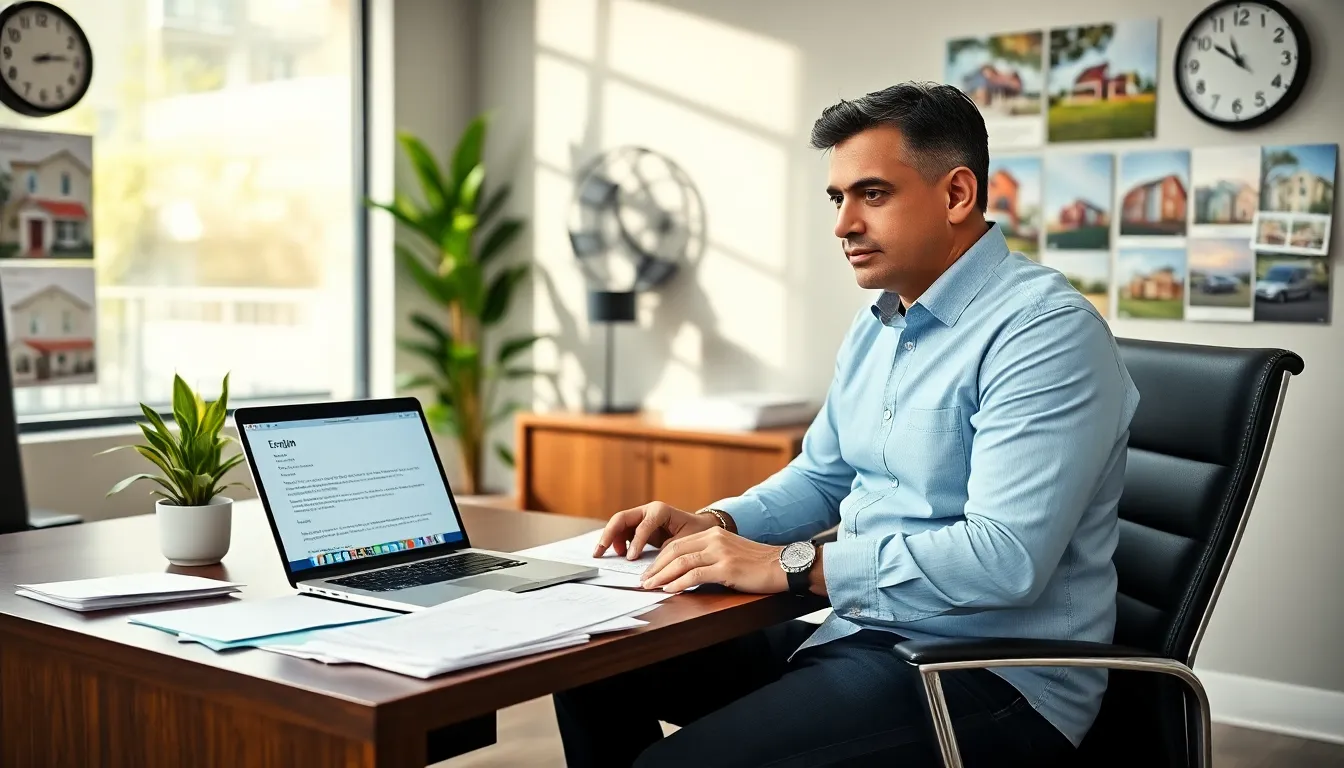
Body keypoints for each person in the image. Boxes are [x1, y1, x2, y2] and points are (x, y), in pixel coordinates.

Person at [553, 81, 1139, 768]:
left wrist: (791, 565)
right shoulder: (879, 324)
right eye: (838, 199)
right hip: (857, 633)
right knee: (585, 661)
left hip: (988, 677)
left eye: (873, 194)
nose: (843, 225)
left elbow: (1004, 560)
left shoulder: (1043, 332)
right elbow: (823, 474)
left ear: (956, 195)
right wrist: (718, 524)